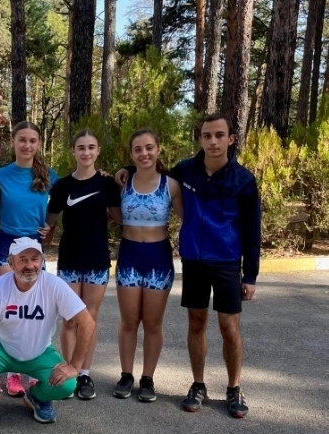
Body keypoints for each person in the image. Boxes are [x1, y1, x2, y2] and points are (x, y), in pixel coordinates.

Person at [116, 114, 260, 418]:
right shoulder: (186, 171)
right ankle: (198, 385)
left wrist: (250, 275)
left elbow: (252, 230)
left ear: (231, 139)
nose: (213, 141)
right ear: (200, 139)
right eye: (207, 136)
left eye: (219, 135)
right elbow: (150, 168)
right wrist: (127, 168)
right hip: (194, 260)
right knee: (196, 323)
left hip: (226, 261)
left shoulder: (244, 180)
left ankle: (234, 388)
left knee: (229, 328)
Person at [0, 237, 95, 430]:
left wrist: (74, 366)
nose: (30, 266)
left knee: (67, 385)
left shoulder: (54, 285)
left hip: (40, 352)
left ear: (42, 261)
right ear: (11, 263)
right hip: (3, 349)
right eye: (22, 260)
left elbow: (87, 323)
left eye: (35, 259)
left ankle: (36, 398)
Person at [45, 129, 121, 400]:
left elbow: (118, 217)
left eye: (91, 147)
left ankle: (84, 373)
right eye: (81, 147)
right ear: (73, 151)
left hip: (97, 259)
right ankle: (69, 374)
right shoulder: (63, 186)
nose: (86, 152)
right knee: (69, 319)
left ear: (97, 151)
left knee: (89, 317)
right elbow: (49, 222)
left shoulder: (107, 183)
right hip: (70, 259)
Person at [112, 129, 182, 403]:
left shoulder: (171, 186)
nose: (144, 153)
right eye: (138, 149)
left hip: (158, 259)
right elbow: (105, 212)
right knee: (129, 320)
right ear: (131, 154)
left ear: (158, 149)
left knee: (153, 322)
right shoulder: (122, 183)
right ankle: (126, 375)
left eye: (149, 147)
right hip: (129, 257)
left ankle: (148, 378)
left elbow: (192, 217)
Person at [0, 121, 59, 397]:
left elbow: (68, 196)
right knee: (9, 309)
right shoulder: (1, 175)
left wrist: (50, 227)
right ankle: (12, 374)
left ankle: (32, 370)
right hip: (7, 245)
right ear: (13, 142)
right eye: (22, 140)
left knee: (35, 310)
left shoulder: (49, 175)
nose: (27, 145)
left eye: (32, 140)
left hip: (34, 247)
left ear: (38, 144)